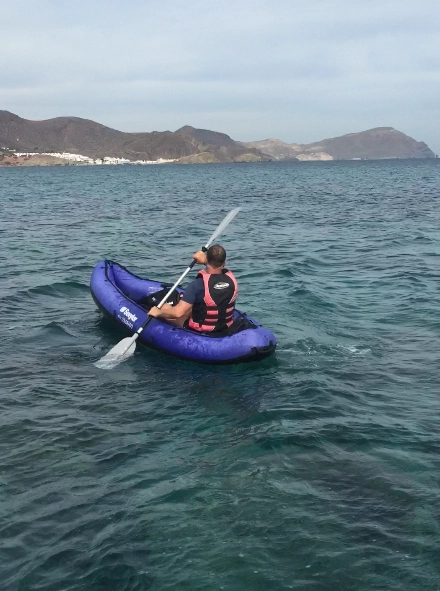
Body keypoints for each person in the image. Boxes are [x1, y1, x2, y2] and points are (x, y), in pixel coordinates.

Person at [148, 244, 238, 333]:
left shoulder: (198, 285)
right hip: (224, 326)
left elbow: (178, 313)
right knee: (194, 308)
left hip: (203, 328)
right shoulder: (232, 280)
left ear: (206, 259)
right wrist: (205, 262)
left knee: (166, 308)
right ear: (224, 262)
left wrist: (158, 312)